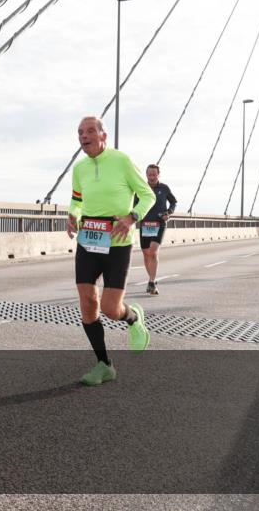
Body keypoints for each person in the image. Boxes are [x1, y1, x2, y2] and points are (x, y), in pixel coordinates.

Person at [67, 116, 153, 386]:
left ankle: (133, 317)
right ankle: (104, 364)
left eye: (90, 131)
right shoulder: (79, 168)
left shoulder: (122, 161)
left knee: (109, 308)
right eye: (80, 132)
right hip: (88, 241)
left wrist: (131, 217)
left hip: (117, 244)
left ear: (104, 135)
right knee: (88, 303)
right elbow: (77, 200)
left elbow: (148, 195)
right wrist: (73, 215)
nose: (84, 136)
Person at [137, 164, 177, 296]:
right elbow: (135, 204)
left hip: (159, 223)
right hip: (145, 224)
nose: (152, 177)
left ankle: (152, 281)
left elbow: (173, 202)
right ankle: (151, 280)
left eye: (154, 174)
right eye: (149, 175)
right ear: (146, 175)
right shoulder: (141, 188)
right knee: (146, 254)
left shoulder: (164, 188)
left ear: (158, 175)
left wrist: (169, 212)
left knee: (153, 252)